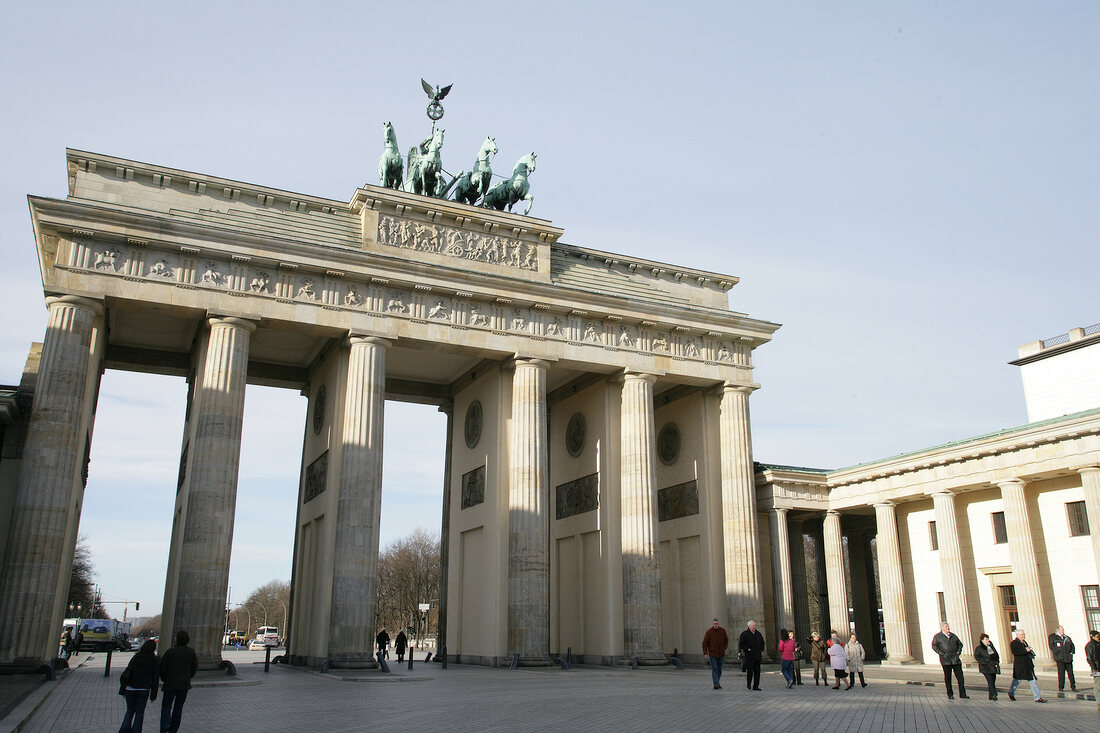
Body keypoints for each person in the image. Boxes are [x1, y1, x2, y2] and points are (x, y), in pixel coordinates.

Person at [159, 629, 198, 733]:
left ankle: (165, 724)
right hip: (184, 685)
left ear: (177, 640)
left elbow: (163, 667)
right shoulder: (191, 652)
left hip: (170, 684)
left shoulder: (170, 652)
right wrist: (189, 677)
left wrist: (164, 678)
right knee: (178, 708)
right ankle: (174, 729)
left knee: (166, 706)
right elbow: (194, 667)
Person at [118, 639, 158, 732]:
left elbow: (127, 673)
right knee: (139, 713)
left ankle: (123, 730)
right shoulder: (153, 660)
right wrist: (153, 695)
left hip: (130, 688)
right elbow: (155, 678)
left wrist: (123, 689)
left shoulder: (136, 657)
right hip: (143, 689)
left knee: (130, 711)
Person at [931, 622, 968, 699]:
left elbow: (960, 644)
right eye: (946, 626)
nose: (948, 627)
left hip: (955, 659)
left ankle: (963, 693)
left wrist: (958, 652)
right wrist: (942, 654)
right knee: (948, 678)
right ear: (942, 628)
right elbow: (934, 646)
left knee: (960, 677)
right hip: (946, 660)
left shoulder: (953, 636)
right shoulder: (938, 637)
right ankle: (950, 694)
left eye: (948, 626)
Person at [1008, 629, 1047, 702]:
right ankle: (1011, 692)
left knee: (1032, 680)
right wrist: (1026, 650)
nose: (1024, 636)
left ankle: (1037, 697)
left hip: (1028, 665)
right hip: (1020, 665)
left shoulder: (1024, 642)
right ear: (1018, 635)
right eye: (1022, 635)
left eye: (1024, 634)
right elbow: (1016, 652)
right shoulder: (1014, 643)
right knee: (1017, 680)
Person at [701, 617, 729, 690]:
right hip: (713, 653)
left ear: (718, 624)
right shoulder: (709, 632)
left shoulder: (722, 631)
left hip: (721, 653)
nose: (715, 625)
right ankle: (716, 684)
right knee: (715, 668)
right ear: (712, 624)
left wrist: (724, 647)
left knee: (719, 669)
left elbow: (726, 640)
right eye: (714, 624)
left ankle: (717, 682)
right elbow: (704, 643)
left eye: (716, 623)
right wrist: (705, 653)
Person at [1048, 625, 1077, 692]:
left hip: (1068, 658)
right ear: (1058, 630)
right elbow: (1052, 647)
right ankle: (1061, 687)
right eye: (1062, 630)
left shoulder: (1067, 638)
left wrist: (1072, 652)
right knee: (1061, 673)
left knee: (1071, 673)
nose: (1063, 631)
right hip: (1060, 658)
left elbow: (1072, 646)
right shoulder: (1053, 637)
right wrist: (1058, 652)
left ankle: (1073, 687)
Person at [738, 620, 765, 691]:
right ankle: (749, 683)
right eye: (753, 626)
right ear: (749, 626)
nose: (754, 627)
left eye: (755, 626)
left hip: (757, 655)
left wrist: (761, 649)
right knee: (750, 671)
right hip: (749, 656)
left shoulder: (758, 634)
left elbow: (762, 643)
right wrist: (747, 649)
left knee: (757, 671)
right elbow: (741, 644)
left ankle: (756, 686)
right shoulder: (745, 634)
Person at [974, 633, 1000, 700]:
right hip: (985, 667)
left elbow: (996, 655)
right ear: (982, 640)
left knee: (993, 681)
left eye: (988, 639)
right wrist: (984, 662)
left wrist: (996, 661)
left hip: (993, 666)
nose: (987, 640)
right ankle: (994, 694)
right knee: (990, 681)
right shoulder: (979, 648)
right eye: (986, 639)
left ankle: (991, 695)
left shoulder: (991, 647)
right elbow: (977, 657)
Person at [1084, 629, 1100, 711]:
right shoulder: (1090, 646)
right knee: (1098, 687)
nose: (1099, 638)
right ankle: (1099, 703)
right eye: (1097, 636)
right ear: (1092, 637)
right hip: (1097, 669)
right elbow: (1090, 658)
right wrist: (1094, 668)